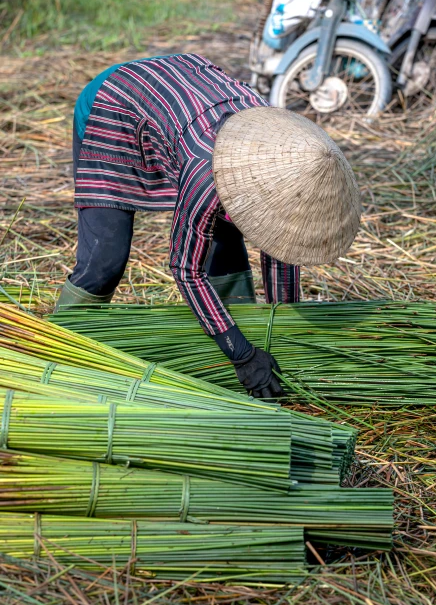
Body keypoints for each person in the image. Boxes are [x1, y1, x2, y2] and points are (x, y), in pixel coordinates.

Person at [56, 53, 361, 399]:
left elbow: (280, 242)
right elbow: (186, 269)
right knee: (106, 260)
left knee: (226, 250)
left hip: (184, 101)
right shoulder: (207, 170)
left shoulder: (287, 157)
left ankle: (226, 346)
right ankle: (59, 347)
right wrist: (242, 355)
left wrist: (283, 331)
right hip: (114, 106)